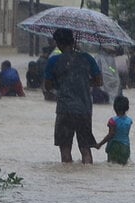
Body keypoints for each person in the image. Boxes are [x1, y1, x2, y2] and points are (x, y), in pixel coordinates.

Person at [43, 28, 103, 164]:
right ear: (73, 41)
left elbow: (47, 86)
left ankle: (67, 181)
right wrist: (83, 81)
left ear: (58, 43)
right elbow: (99, 81)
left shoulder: (53, 61)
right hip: (84, 110)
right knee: (86, 149)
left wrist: (61, 83)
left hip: (64, 109)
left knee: (65, 151)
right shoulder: (87, 58)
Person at [96, 95, 133, 165]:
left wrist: (100, 144)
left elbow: (111, 135)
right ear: (127, 108)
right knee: (123, 167)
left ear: (114, 107)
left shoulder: (112, 121)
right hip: (126, 147)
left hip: (114, 146)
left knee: (112, 166)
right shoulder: (129, 121)